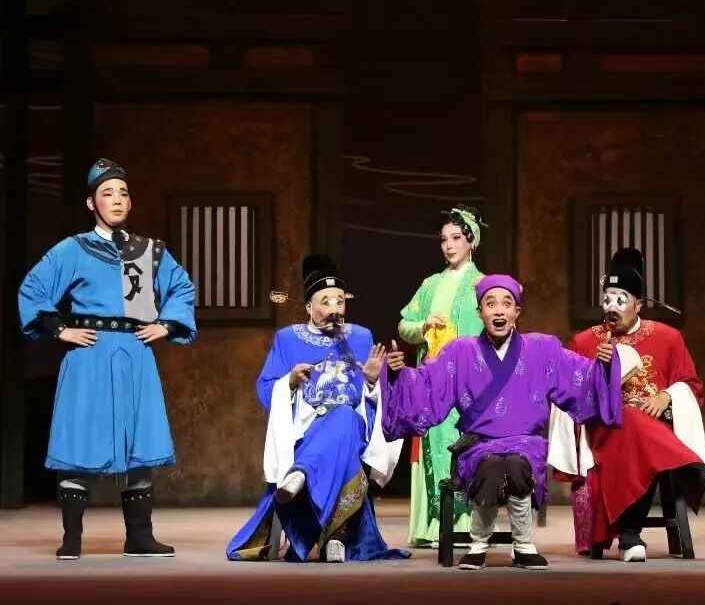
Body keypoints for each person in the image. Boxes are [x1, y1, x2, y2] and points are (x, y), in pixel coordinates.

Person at [18, 158, 196, 560]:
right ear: (91, 203)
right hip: (90, 354)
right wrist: (59, 329)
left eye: (123, 193)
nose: (116, 200)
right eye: (107, 193)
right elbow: (35, 287)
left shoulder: (146, 251)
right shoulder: (73, 249)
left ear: (130, 202)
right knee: (80, 435)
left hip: (134, 352)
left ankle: (140, 537)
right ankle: (72, 536)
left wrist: (166, 324)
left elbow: (181, 286)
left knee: (138, 440)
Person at [382, 274, 623, 570]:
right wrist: (399, 374)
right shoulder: (459, 352)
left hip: (526, 443)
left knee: (518, 464)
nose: (499, 311)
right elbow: (427, 385)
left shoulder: (543, 349)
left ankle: (523, 545)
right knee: (491, 465)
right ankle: (478, 545)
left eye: (507, 304)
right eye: (491, 304)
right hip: (478, 445)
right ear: (480, 312)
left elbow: (580, 378)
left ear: (517, 311)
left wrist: (604, 365)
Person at [549, 248, 705, 562]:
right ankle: (696, 470)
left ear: (639, 305)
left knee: (636, 427)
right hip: (602, 429)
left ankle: (630, 536)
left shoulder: (668, 338)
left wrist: (667, 395)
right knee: (630, 419)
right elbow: (568, 393)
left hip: (651, 430)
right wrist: (597, 369)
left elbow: (691, 385)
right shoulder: (586, 341)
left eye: (621, 300)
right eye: (607, 299)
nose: (611, 307)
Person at [227, 254, 407, 563]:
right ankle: (335, 537)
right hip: (306, 429)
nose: (335, 309)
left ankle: (302, 472)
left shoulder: (361, 337)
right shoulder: (287, 339)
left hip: (354, 424)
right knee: (342, 438)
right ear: (309, 307)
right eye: (326, 302)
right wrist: (290, 382)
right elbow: (266, 388)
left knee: (345, 417)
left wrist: (373, 381)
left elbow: (375, 396)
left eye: (340, 301)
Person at [396, 206, 487, 546]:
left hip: (468, 382)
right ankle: (432, 527)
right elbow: (404, 325)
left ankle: (464, 525)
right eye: (444, 239)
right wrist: (423, 325)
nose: (449, 245)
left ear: (471, 242)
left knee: (461, 445)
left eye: (456, 238)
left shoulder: (482, 285)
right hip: (431, 380)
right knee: (433, 444)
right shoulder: (430, 284)